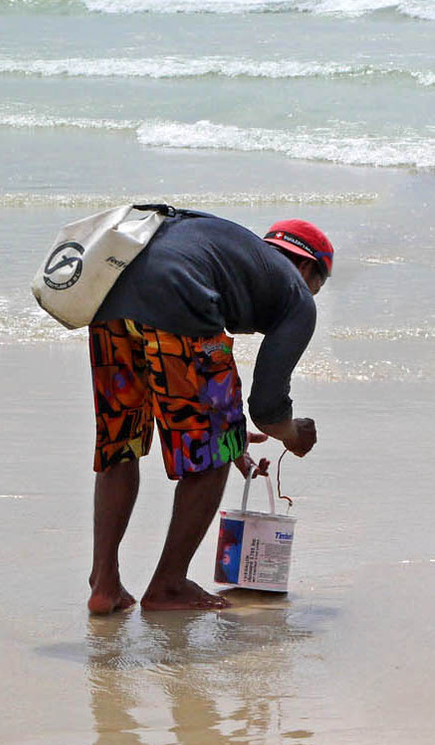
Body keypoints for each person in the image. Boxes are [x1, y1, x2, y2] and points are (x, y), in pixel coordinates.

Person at [85, 214, 333, 614]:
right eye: (316, 287)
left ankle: (104, 583)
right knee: (210, 457)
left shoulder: (229, 254)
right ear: (307, 267)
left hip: (111, 297)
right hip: (179, 301)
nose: (311, 295)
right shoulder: (295, 293)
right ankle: (168, 585)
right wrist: (292, 433)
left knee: (122, 442)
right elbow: (267, 409)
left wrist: (231, 434)